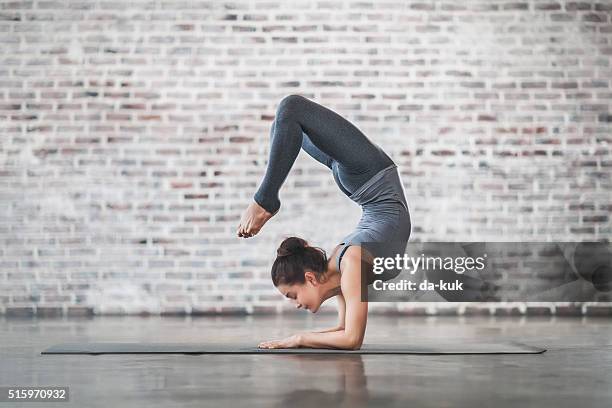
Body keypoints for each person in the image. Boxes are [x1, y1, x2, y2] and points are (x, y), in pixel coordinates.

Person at [236, 95, 411, 350]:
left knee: (290, 110)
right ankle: (265, 197)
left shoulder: (348, 263)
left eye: (292, 295)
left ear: (310, 278)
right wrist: (290, 341)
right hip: (364, 182)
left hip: (368, 173)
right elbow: (343, 330)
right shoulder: (343, 270)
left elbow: (352, 340)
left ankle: (265, 199)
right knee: (283, 123)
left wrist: (299, 339)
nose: (295, 303)